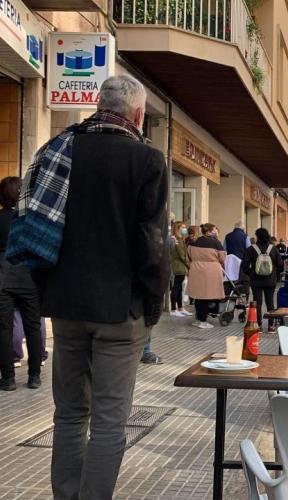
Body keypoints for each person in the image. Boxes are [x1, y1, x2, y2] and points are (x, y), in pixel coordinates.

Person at [8, 75, 169, 498]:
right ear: (138, 114)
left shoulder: (57, 149)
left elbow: (35, 228)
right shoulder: (147, 160)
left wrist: (48, 293)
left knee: (69, 414)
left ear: (100, 105)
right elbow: (152, 244)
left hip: (66, 307)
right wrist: (153, 306)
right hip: (120, 311)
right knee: (110, 421)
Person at [0, 176, 43, 391]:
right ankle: (34, 376)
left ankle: (7, 378)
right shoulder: (31, 220)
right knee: (33, 327)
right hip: (29, 278)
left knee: (4, 328)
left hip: (3, 279)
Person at [242, 227, 283, 331]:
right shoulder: (273, 248)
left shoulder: (251, 249)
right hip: (270, 280)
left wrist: (251, 273)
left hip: (256, 281)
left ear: (257, 236)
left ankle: (258, 325)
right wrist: (274, 273)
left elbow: (244, 266)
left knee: (257, 302)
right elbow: (280, 264)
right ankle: (271, 325)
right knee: (270, 302)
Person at [186, 223, 226, 329]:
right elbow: (222, 258)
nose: (215, 231)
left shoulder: (194, 241)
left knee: (198, 297)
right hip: (210, 272)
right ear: (208, 231)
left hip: (196, 270)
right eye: (214, 230)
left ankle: (198, 319)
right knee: (206, 297)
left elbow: (188, 256)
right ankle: (203, 321)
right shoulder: (216, 243)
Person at [170, 221, 191, 317]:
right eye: (182, 227)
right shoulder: (176, 239)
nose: (184, 229)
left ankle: (180, 307)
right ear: (177, 228)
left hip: (180, 266)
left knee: (179, 288)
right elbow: (182, 255)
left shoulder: (180, 239)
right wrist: (189, 265)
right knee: (176, 288)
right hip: (179, 266)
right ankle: (173, 309)